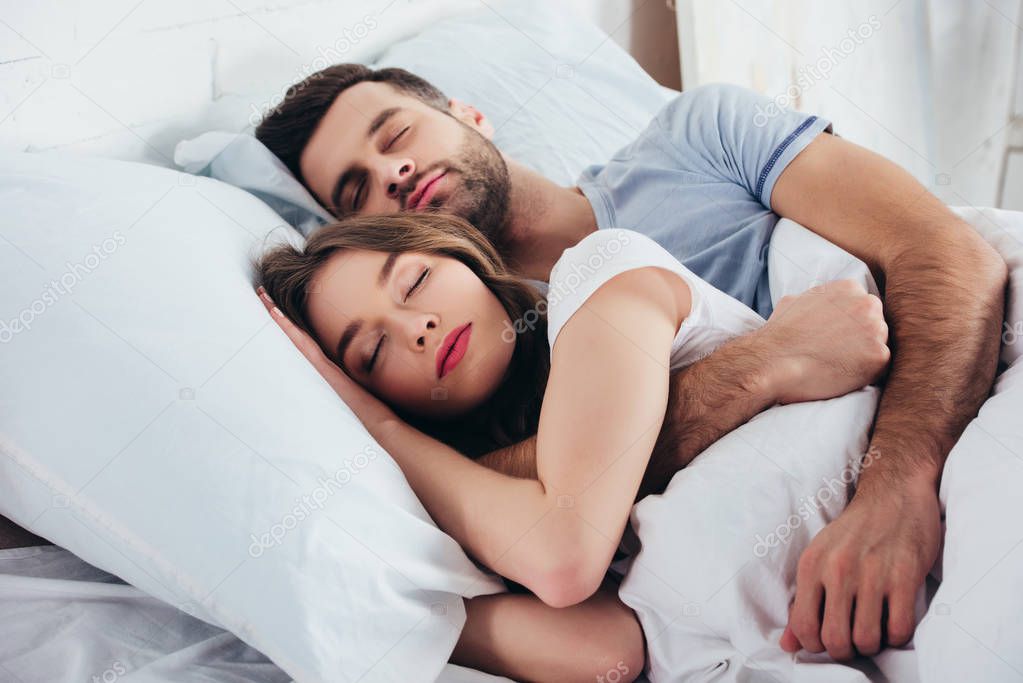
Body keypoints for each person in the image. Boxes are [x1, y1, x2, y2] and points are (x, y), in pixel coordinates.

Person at [254, 64, 1007, 659]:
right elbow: (564, 509)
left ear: (466, 114)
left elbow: (946, 255)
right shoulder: (471, 363)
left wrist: (896, 487)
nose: (393, 173)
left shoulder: (697, 135)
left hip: (959, 405)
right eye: (357, 191)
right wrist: (762, 363)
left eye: (396, 135)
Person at [255, 211, 889, 681]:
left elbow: (564, 554)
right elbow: (607, 650)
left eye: (416, 279)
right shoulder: (466, 506)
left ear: (459, 254)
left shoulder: (598, 275)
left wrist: (383, 428)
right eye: (371, 352)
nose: (415, 327)